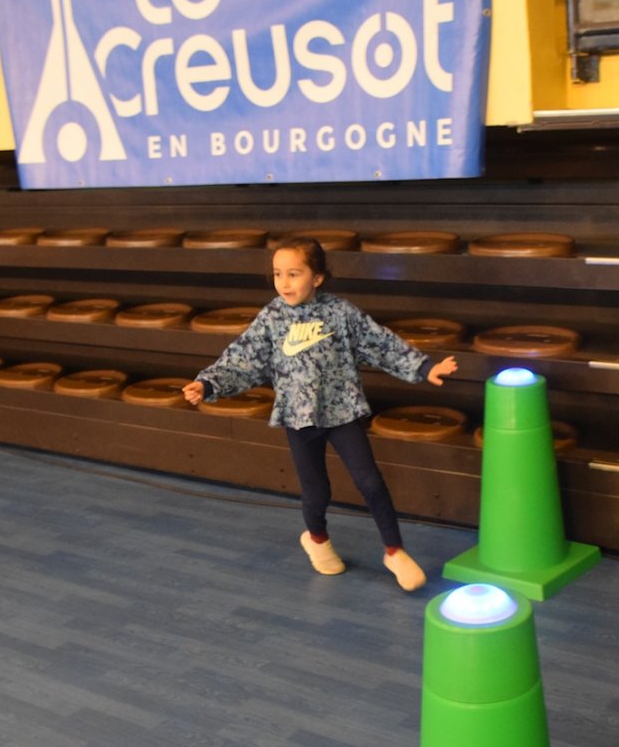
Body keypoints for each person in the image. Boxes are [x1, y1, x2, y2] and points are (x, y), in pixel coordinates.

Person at [182, 238, 458, 591]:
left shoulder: (340, 313)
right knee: (317, 492)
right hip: (299, 419)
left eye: (294, 274)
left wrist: (424, 368)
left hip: (342, 412)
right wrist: (208, 383)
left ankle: (394, 551)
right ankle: (317, 539)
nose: (284, 282)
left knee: (370, 482)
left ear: (317, 277)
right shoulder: (272, 318)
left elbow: (381, 343)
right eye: (278, 274)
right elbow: (242, 359)